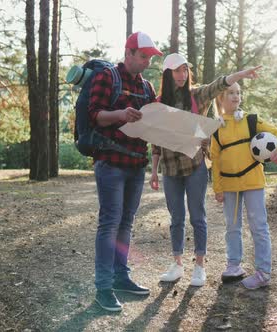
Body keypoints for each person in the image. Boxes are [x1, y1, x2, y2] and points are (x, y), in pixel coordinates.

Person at [150, 53, 262, 287]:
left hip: (195, 167)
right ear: (167, 74)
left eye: (184, 70)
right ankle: (177, 264)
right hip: (170, 170)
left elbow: (218, 85)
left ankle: (199, 266)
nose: (181, 75)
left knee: (198, 216)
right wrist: (153, 171)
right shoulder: (159, 103)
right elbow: (156, 141)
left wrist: (240, 75)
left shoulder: (195, 95)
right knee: (176, 218)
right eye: (177, 71)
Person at [88, 31, 162, 312]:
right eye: (142, 56)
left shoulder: (147, 86)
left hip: (136, 166)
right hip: (110, 164)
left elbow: (154, 123)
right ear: (128, 52)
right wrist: (121, 114)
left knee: (126, 223)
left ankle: (121, 277)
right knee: (109, 224)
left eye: (149, 57)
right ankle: (103, 288)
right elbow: (93, 115)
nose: (146, 62)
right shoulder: (107, 77)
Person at [210, 82, 277, 289]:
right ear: (221, 98)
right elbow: (215, 161)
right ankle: (234, 265)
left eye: (238, 93)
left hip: (253, 182)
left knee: (259, 227)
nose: (236, 96)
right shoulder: (216, 128)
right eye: (230, 93)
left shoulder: (251, 120)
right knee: (232, 227)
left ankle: (263, 272)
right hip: (228, 186)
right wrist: (217, 188)